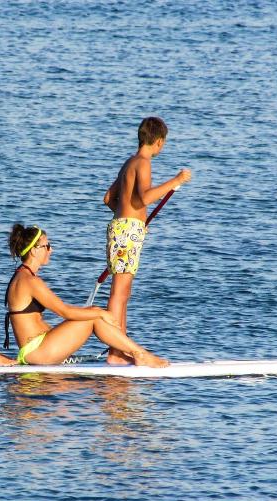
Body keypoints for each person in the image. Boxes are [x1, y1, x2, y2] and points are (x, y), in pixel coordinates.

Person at [4, 224, 169, 367]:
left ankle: (123, 354)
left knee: (93, 312)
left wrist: (96, 311)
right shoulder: (29, 281)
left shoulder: (22, 276)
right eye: (47, 246)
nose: (51, 250)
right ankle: (139, 354)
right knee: (94, 317)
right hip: (38, 353)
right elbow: (64, 311)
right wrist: (100, 312)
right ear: (34, 251)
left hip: (35, 349)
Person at [102, 117, 191, 363]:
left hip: (124, 229)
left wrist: (132, 220)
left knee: (123, 292)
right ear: (159, 142)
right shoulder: (143, 163)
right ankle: (114, 352)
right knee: (119, 293)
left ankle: (120, 348)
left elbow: (109, 198)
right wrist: (175, 181)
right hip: (127, 231)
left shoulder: (128, 163)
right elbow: (143, 199)